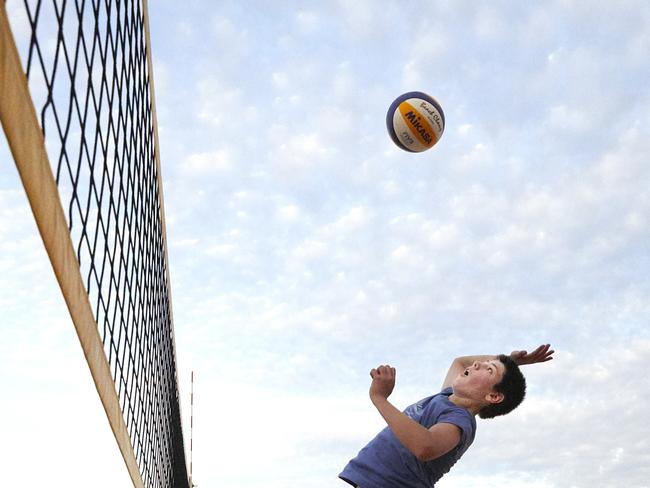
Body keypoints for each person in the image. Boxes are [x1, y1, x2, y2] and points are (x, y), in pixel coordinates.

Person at [339, 344, 554, 487]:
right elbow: (460, 362)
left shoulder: (460, 420)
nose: (477, 364)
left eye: (489, 371)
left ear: (493, 396)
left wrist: (380, 398)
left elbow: (426, 447)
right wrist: (508, 361)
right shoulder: (447, 396)